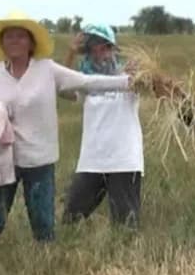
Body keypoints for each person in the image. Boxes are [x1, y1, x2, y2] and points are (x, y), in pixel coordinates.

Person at [0, 12, 132, 243]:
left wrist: (128, 81)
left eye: (20, 36)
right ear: (1, 43)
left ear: (31, 43)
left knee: (43, 223)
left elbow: (87, 81)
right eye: (8, 37)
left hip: (39, 158)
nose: (14, 41)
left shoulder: (47, 69)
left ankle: (45, 258)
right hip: (1, 156)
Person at [60, 23, 145, 229]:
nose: (100, 51)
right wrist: (71, 53)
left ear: (113, 48)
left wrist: (142, 71)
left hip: (124, 160)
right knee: (71, 220)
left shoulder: (130, 76)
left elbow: (152, 86)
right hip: (93, 159)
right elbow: (63, 89)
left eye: (105, 46)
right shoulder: (85, 80)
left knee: (126, 227)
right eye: (94, 46)